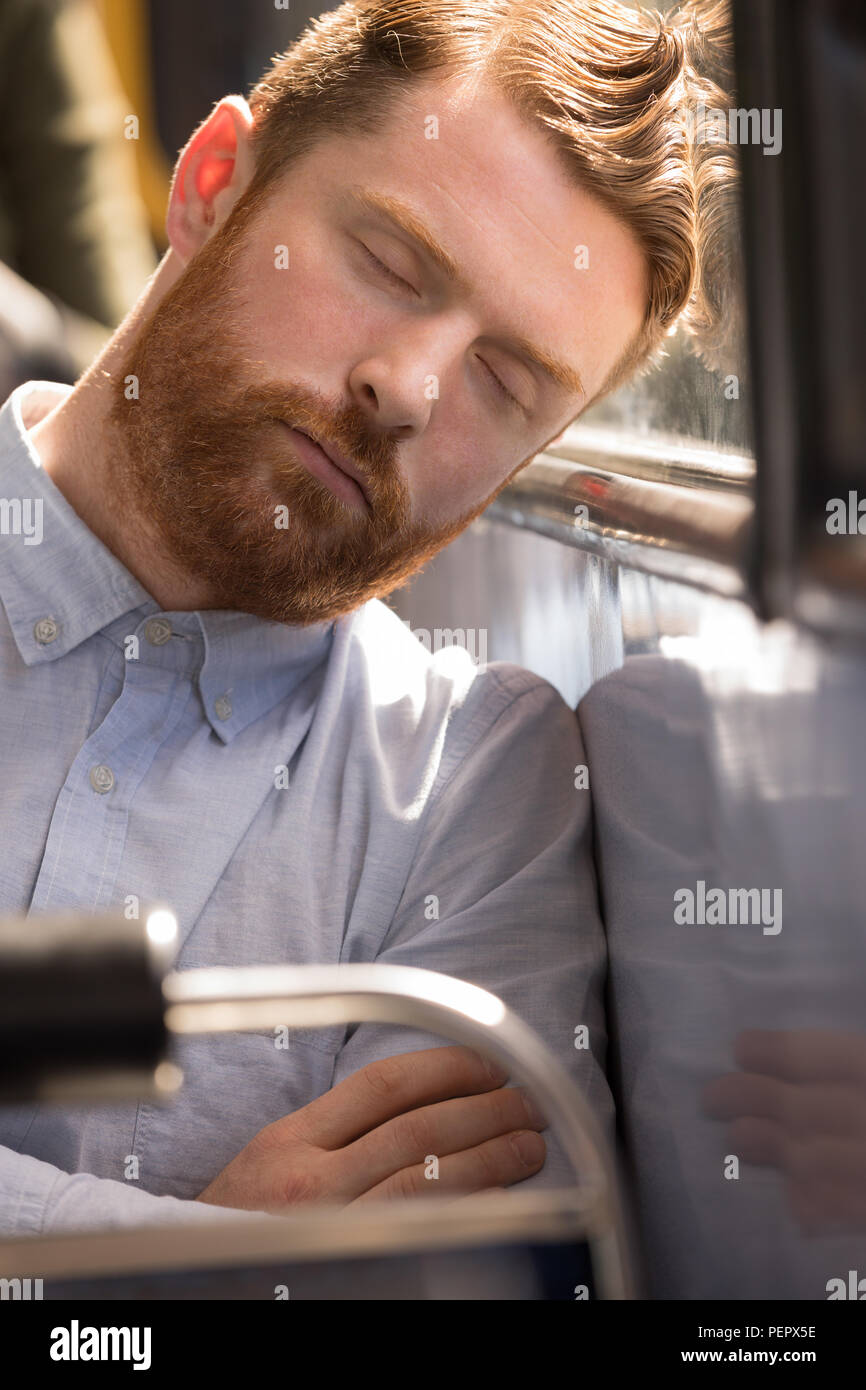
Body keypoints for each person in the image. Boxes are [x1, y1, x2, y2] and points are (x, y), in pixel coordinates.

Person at [0, 0, 735, 1234]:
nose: (405, 389)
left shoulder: (473, 781)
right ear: (212, 181)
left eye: (504, 385)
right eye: (390, 264)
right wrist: (207, 1249)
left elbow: (444, 1282)